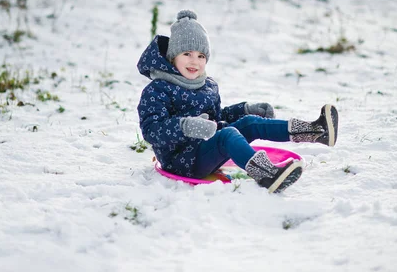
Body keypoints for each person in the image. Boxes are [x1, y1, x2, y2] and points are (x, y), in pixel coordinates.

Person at [137, 10, 339, 193]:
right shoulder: (158, 89)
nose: (194, 61)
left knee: (249, 123)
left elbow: (218, 117)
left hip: (207, 149)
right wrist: (187, 126)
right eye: (187, 54)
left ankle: (316, 131)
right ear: (173, 57)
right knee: (228, 135)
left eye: (200, 56)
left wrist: (244, 109)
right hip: (182, 161)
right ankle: (267, 174)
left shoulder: (207, 86)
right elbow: (152, 130)